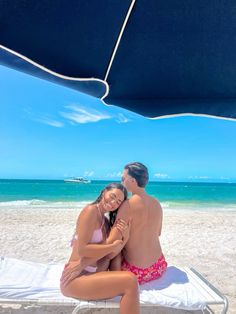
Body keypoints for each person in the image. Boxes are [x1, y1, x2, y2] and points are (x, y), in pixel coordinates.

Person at [60, 182, 140, 314]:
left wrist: (125, 235)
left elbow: (109, 255)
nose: (114, 202)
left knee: (130, 281)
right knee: (130, 281)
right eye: (112, 196)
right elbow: (83, 250)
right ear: (104, 192)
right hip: (74, 279)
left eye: (118, 201)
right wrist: (111, 246)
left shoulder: (106, 221)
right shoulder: (90, 211)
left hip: (92, 275)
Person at [108, 162, 167, 285]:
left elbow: (112, 245)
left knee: (116, 255)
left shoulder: (127, 205)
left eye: (123, 178)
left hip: (136, 273)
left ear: (133, 180)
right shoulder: (156, 203)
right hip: (158, 267)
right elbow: (158, 233)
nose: (121, 181)